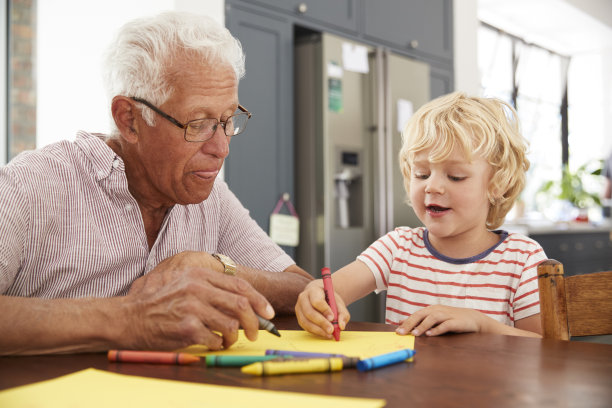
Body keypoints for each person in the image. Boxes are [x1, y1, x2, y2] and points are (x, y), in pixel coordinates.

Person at [0, 11, 313, 355]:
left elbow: (304, 288)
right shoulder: (30, 186)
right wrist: (131, 319)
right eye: (198, 124)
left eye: (228, 120)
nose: (222, 148)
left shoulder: (212, 200)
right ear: (129, 120)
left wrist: (215, 267)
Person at [296, 92, 548, 339]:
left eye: (455, 176)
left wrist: (481, 324)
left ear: (497, 185)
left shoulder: (522, 259)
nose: (432, 186)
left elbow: (545, 349)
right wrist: (315, 296)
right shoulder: (396, 248)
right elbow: (328, 291)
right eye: (422, 174)